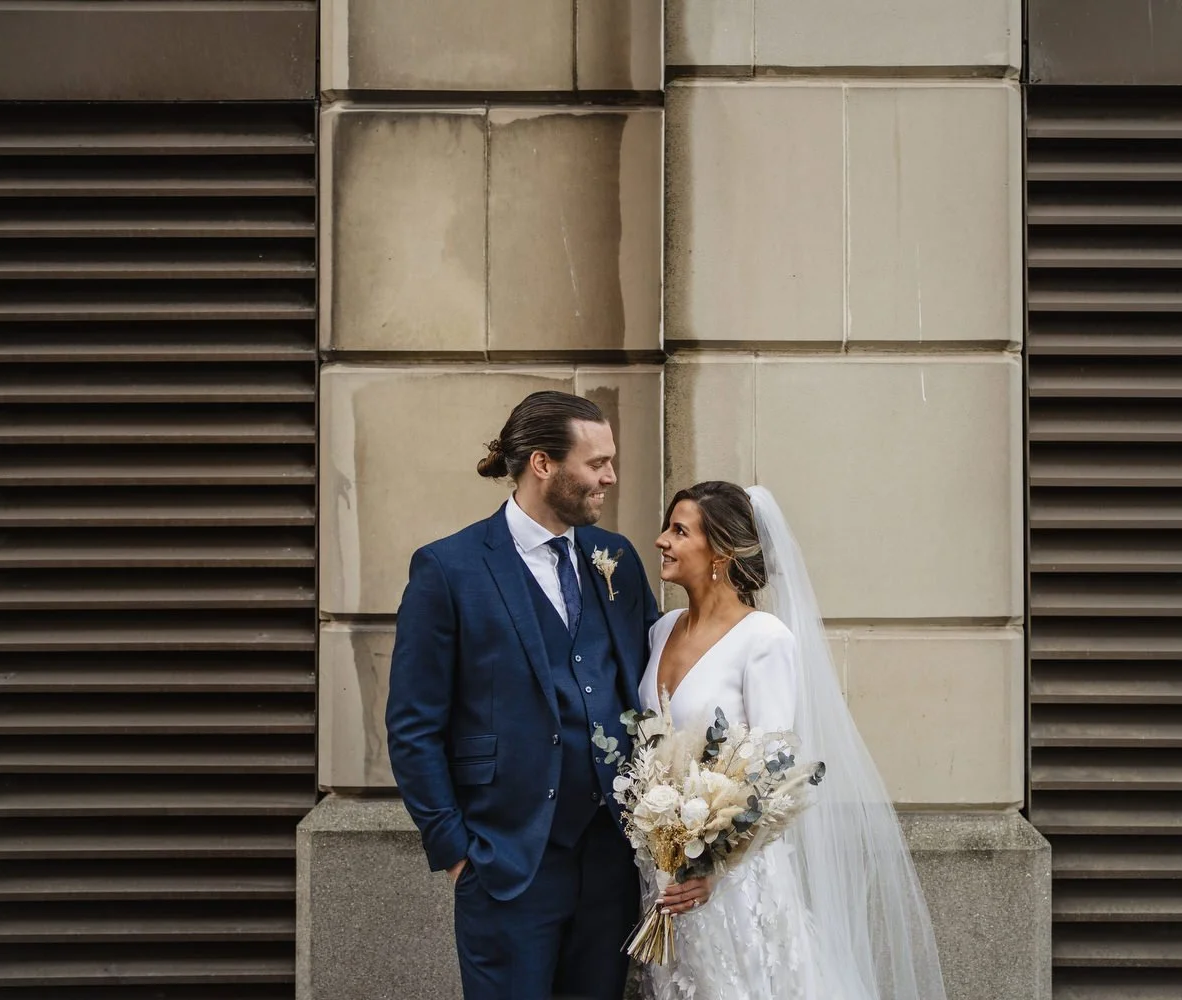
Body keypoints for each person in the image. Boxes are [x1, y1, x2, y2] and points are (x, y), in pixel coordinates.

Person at [385, 390, 659, 1000]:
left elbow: (650, 688)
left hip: (610, 860)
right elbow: (412, 726)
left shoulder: (615, 558)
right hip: (505, 861)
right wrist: (455, 850)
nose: (610, 477)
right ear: (543, 464)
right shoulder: (448, 569)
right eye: (597, 463)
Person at [637, 481, 947, 1000]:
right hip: (664, 874)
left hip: (729, 884)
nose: (661, 540)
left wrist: (713, 868)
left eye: (679, 530)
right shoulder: (661, 629)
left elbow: (774, 772)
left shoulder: (764, 640)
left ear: (721, 553)